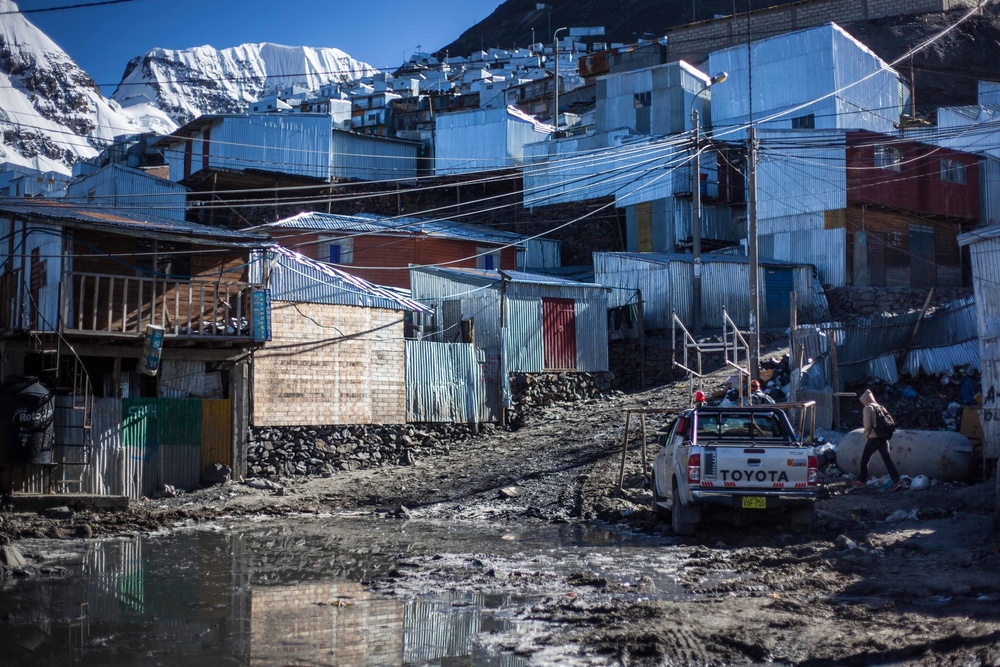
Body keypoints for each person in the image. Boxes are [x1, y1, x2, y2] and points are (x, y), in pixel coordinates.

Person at [857, 389, 902, 491]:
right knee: (887, 460)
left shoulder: (868, 408)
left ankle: (861, 481)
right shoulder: (880, 407)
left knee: (865, 459)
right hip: (884, 438)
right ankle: (897, 482)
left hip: (873, 438)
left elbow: (867, 424)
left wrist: (867, 434)